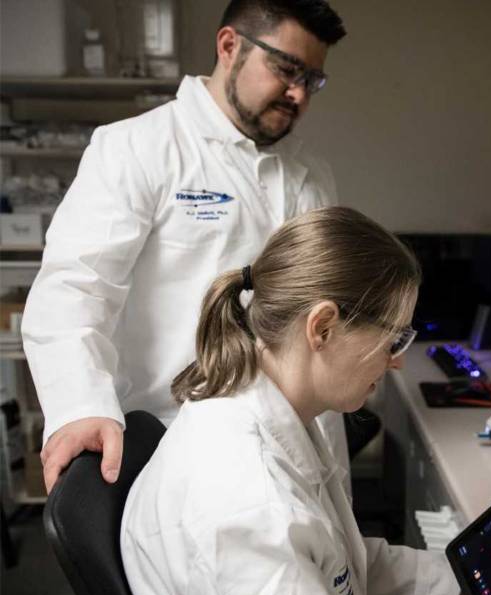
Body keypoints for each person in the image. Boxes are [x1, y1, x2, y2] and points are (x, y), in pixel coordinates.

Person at [21, 0, 349, 493]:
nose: (299, 93)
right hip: (180, 450)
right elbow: (75, 289)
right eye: (286, 69)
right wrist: (80, 407)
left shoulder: (312, 174)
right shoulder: (137, 148)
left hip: (299, 448)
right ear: (229, 46)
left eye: (313, 80)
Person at [120, 206, 460, 595]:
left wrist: (470, 577)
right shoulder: (253, 504)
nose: (396, 360)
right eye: (392, 339)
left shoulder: (259, 408)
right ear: (323, 328)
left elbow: (344, 564)